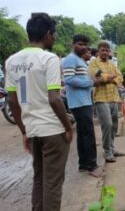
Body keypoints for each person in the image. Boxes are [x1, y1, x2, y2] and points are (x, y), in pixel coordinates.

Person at [5, 12, 73, 211]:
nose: (55, 38)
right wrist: (68, 127)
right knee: (53, 184)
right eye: (54, 34)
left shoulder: (11, 61)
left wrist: (24, 131)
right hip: (52, 130)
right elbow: (54, 98)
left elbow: (12, 100)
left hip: (33, 130)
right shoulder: (49, 59)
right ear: (47, 34)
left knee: (39, 179)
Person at [62, 34, 102, 177]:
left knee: (84, 134)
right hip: (79, 103)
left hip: (84, 101)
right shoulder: (70, 59)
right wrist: (91, 83)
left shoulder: (80, 60)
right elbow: (69, 79)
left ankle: (84, 164)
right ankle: (92, 165)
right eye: (80, 44)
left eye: (86, 44)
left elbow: (79, 78)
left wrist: (91, 80)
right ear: (73, 44)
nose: (84, 47)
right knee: (88, 134)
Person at [89, 41, 125, 162]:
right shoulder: (94, 62)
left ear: (109, 52)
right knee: (107, 125)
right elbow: (96, 77)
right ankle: (107, 151)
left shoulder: (111, 64)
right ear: (98, 51)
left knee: (114, 125)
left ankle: (112, 148)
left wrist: (111, 78)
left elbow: (120, 77)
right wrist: (109, 77)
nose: (105, 52)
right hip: (101, 99)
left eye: (107, 50)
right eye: (102, 50)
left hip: (114, 98)